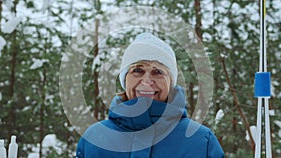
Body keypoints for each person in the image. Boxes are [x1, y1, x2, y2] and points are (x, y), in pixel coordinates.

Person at [75, 32, 224, 158]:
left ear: (170, 82)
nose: (147, 81)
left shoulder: (202, 141)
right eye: (137, 71)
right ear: (124, 79)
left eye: (157, 72)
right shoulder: (93, 139)